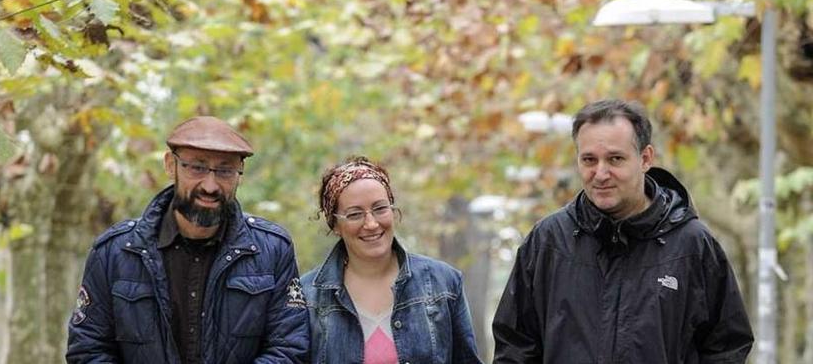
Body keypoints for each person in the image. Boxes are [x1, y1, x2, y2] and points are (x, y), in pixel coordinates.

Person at [492, 99, 754, 363]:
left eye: (615, 159)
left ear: (645, 158)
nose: (601, 173)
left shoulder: (692, 245)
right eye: (589, 160)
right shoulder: (548, 241)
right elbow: (514, 347)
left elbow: (726, 348)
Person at [66, 116, 309, 363]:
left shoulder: (273, 250)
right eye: (197, 167)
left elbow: (289, 349)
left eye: (225, 171)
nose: (210, 185)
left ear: (239, 175)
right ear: (171, 165)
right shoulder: (114, 252)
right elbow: (88, 351)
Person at [301, 156, 483, 364]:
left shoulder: (443, 281)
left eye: (380, 209)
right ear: (335, 225)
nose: (371, 223)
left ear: (393, 211)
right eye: (354, 214)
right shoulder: (308, 296)